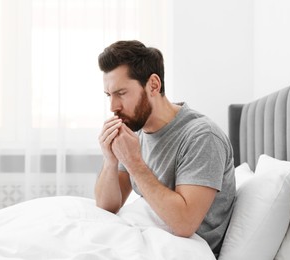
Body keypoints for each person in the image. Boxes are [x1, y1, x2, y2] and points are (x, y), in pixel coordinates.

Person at [94, 40, 235, 256]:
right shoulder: (136, 130)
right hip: (145, 236)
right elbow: (107, 206)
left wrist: (134, 163)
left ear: (153, 85)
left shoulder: (202, 136)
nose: (113, 107)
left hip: (184, 249)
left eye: (121, 93)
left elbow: (184, 223)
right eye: (108, 95)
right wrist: (110, 160)